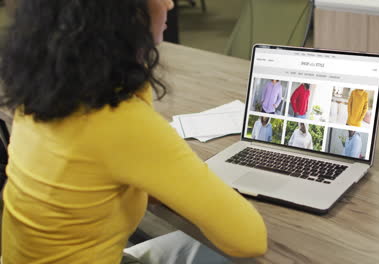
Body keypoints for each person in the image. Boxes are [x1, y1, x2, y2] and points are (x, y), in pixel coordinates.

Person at [0, 1, 267, 263]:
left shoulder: (41, 95)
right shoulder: (118, 122)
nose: (170, 5)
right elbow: (249, 239)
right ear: (119, 12)